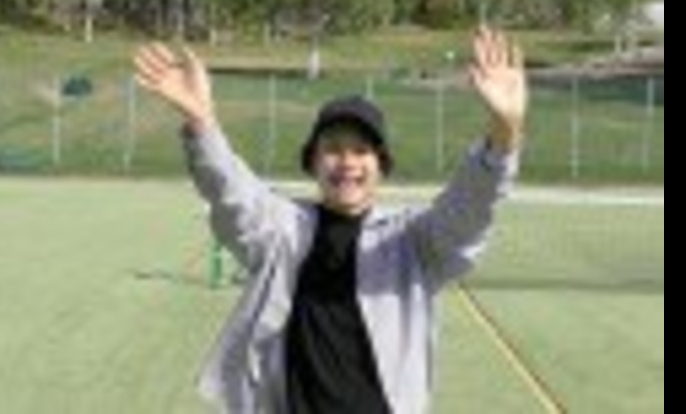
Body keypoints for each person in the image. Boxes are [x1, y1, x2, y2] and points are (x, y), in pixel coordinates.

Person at [133, 27, 528, 414]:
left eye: (361, 150)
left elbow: (469, 207)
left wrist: (504, 133)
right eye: (333, 149)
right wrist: (201, 121)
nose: (347, 162)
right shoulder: (284, 231)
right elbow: (231, 193)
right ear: (313, 162)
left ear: (381, 165)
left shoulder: (412, 241)